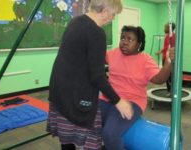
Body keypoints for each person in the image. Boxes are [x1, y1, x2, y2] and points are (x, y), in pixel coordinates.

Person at [46, 1, 133, 150]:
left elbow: (76, 59)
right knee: (90, 140)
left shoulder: (75, 22)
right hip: (75, 94)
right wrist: (118, 101)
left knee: (67, 138)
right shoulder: (97, 33)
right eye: (113, 14)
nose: (112, 18)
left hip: (59, 89)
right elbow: (97, 76)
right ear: (105, 11)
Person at [99, 25, 175, 150]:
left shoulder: (145, 60)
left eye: (130, 39)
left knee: (110, 134)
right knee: (85, 121)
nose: (124, 42)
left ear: (139, 44)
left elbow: (159, 79)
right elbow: (98, 58)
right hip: (108, 98)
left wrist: (168, 63)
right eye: (123, 38)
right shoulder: (114, 53)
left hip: (131, 102)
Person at [156, 22, 176, 95]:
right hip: (172, 57)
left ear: (169, 28)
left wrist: (159, 52)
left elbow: (166, 47)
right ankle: (172, 90)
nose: (164, 29)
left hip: (167, 57)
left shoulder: (168, 36)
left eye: (165, 27)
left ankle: (169, 91)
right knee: (171, 74)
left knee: (167, 75)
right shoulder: (174, 35)